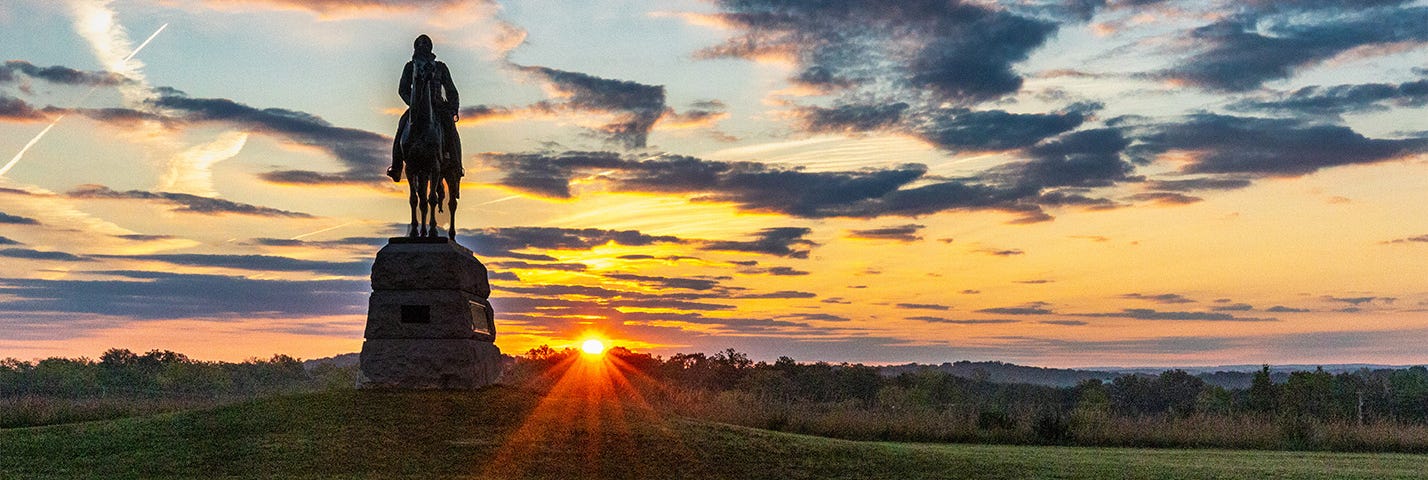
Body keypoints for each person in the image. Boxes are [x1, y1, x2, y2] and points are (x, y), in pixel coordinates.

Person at [388, 34, 462, 182]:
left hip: (439, 108)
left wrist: (453, 108)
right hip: (416, 107)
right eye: (420, 44)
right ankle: (396, 167)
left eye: (426, 44)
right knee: (402, 125)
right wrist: (413, 103)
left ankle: (456, 164)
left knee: (451, 130)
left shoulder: (440, 67)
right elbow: (403, 89)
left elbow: (451, 89)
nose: (423, 47)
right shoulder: (410, 67)